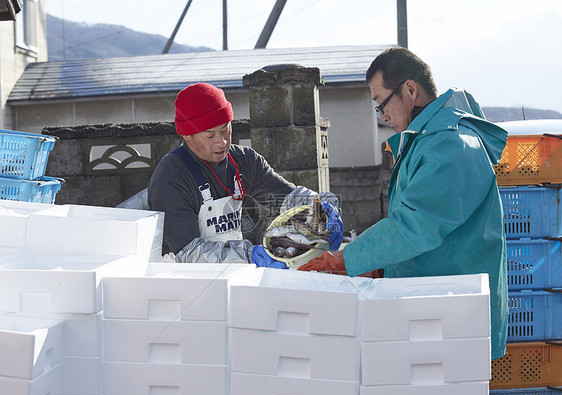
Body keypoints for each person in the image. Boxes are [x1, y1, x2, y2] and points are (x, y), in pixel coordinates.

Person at [299, 47, 508, 360]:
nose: (382, 116)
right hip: (437, 309)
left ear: (410, 90)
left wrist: (346, 259)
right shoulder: (430, 140)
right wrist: (380, 267)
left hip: (455, 316)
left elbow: (414, 226)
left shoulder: (451, 144)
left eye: (382, 103)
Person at [148, 82, 343, 267]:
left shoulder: (244, 161)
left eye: (226, 130)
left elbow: (288, 198)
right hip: (184, 280)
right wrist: (251, 256)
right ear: (186, 135)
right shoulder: (171, 178)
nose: (222, 142)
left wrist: (323, 206)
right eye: (210, 135)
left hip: (235, 271)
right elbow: (190, 253)